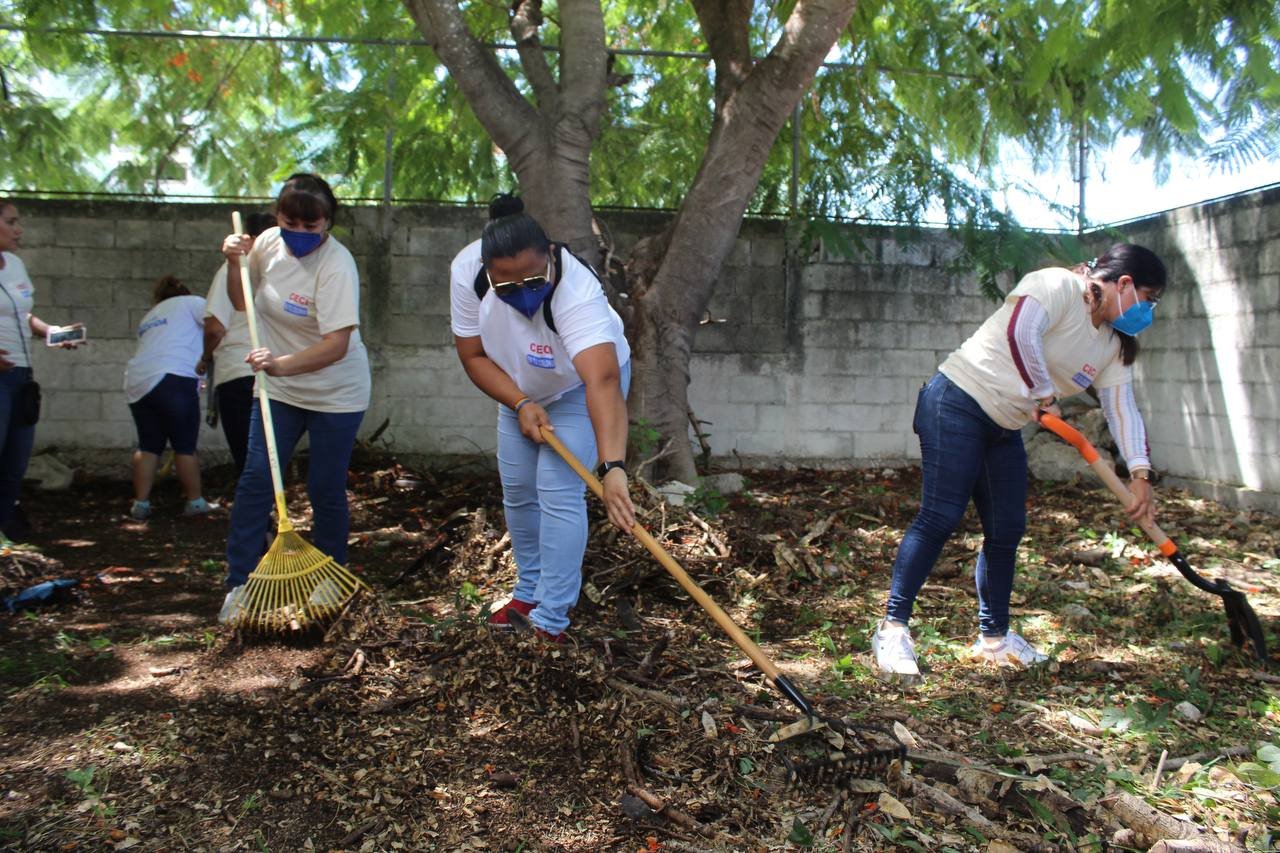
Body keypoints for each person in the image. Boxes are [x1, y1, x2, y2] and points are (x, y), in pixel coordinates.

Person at [872, 243, 1168, 676]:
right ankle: (892, 629)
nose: (1148, 311)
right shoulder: (1058, 285)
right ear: (1124, 284)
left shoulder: (1112, 344)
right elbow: (1021, 332)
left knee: (1007, 528)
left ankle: (994, 639)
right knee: (941, 516)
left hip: (1003, 425)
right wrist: (1044, 392)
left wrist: (1141, 472)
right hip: (956, 401)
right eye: (1149, 298)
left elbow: (1122, 408)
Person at [450, 197, 634, 642]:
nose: (523, 292)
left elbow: (603, 382)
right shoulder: (467, 273)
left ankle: (551, 618)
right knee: (517, 490)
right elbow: (472, 355)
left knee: (557, 483)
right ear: (487, 270)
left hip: (577, 388)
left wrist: (613, 468)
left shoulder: (577, 293)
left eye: (534, 279)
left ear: (550, 255)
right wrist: (518, 402)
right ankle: (528, 593)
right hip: (518, 388)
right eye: (506, 286)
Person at [217, 173, 370, 623]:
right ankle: (240, 584)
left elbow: (336, 344)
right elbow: (241, 301)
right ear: (278, 217)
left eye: (311, 227)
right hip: (278, 389)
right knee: (256, 481)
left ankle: (330, 577)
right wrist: (233, 264)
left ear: (328, 223)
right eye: (291, 223)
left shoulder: (337, 265)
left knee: (325, 487)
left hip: (336, 392)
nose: (300, 234)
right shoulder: (266, 243)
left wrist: (280, 363)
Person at [0, 200, 84, 540]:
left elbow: (23, 315)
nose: (19, 229)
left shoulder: (16, 265)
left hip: (21, 376)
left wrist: (51, 332)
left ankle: (4, 536)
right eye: (11, 222)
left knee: (14, 464)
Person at [123, 275, 215, 519]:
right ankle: (195, 502)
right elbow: (215, 325)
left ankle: (140, 504)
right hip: (173, 378)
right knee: (184, 445)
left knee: (149, 445)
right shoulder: (192, 302)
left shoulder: (149, 317)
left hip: (138, 383)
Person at [198, 211, 276, 477]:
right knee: (258, 462)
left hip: (252, 375)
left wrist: (204, 358)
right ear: (249, 240)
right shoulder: (234, 271)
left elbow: (214, 329)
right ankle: (261, 518)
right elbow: (216, 326)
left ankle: (262, 517)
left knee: (254, 463)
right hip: (249, 374)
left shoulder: (274, 274)